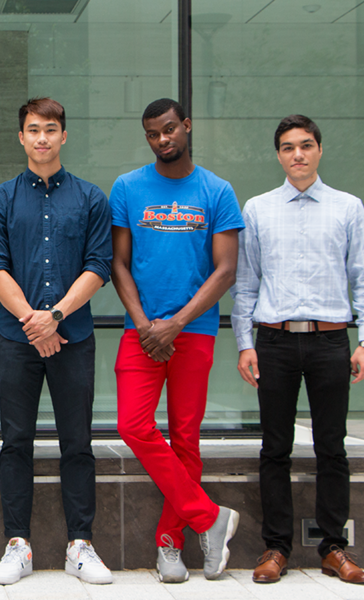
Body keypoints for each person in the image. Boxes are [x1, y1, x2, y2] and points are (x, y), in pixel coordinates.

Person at [231, 115, 364, 585]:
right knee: (273, 448)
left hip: (330, 341)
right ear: (278, 155)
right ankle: (275, 549)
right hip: (273, 341)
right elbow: (245, 283)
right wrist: (244, 344)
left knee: (331, 447)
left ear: (319, 150)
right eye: (288, 147)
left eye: (306, 145)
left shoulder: (348, 207)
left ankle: (334, 548)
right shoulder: (257, 209)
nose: (297, 154)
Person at [0, 97, 113, 586]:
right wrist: (33, 322)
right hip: (16, 342)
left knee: (77, 442)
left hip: (73, 337)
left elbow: (99, 265)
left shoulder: (91, 198)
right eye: (32, 129)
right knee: (16, 442)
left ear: (63, 136)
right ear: (21, 137)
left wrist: (54, 317)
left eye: (50, 129)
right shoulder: (1, 199)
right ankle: (18, 544)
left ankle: (81, 544)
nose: (41, 138)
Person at [110, 98, 243, 583]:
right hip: (140, 332)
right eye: (152, 134)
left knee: (186, 436)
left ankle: (171, 542)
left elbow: (225, 270)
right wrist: (147, 323)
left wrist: (176, 323)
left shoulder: (217, 190)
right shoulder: (127, 187)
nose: (162, 139)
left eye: (169, 129)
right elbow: (118, 263)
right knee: (133, 425)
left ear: (187, 126)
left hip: (195, 332)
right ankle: (210, 517)